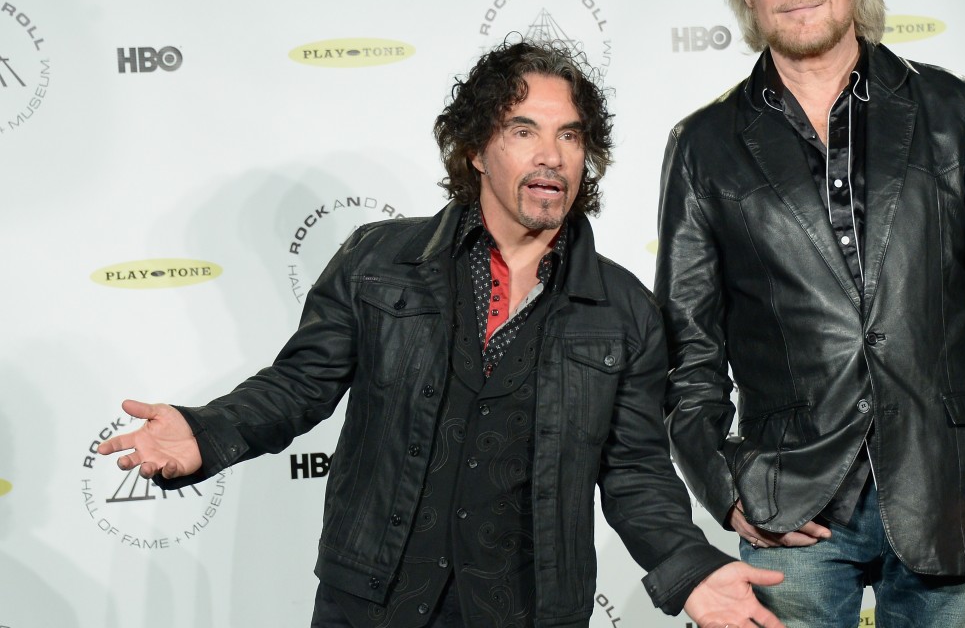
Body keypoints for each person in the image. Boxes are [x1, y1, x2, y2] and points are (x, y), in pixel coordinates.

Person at [100, 40, 787, 628]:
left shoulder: (625, 310)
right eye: (523, 131)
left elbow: (635, 471)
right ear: (477, 150)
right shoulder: (378, 261)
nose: (551, 156)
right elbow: (299, 385)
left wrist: (689, 568)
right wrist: (207, 432)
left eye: (570, 136)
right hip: (370, 602)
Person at [655, 0, 965, 628]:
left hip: (948, 488)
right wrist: (725, 486)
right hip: (791, 503)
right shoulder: (704, 145)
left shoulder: (950, 110)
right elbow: (688, 349)